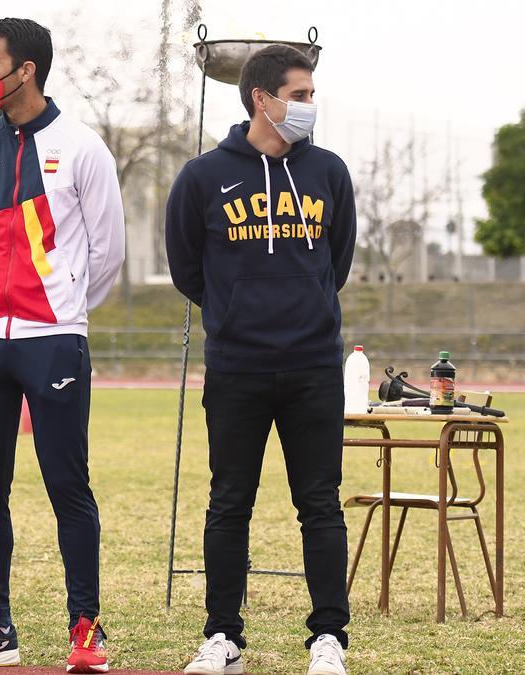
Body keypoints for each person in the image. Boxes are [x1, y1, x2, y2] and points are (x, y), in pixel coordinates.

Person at [0, 17, 125, 674]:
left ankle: (86, 627)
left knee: (67, 484)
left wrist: (64, 309)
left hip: (53, 339)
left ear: (27, 70)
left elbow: (109, 254)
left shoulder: (82, 148)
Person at [164, 45, 356, 675]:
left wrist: (303, 311)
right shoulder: (201, 177)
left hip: (314, 369)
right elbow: (189, 268)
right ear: (261, 100)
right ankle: (223, 638)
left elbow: (338, 262)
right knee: (228, 504)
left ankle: (329, 639)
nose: (308, 107)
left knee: (320, 506)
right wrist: (235, 314)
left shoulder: (329, 172)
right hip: (237, 369)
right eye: (299, 96)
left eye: (310, 95)